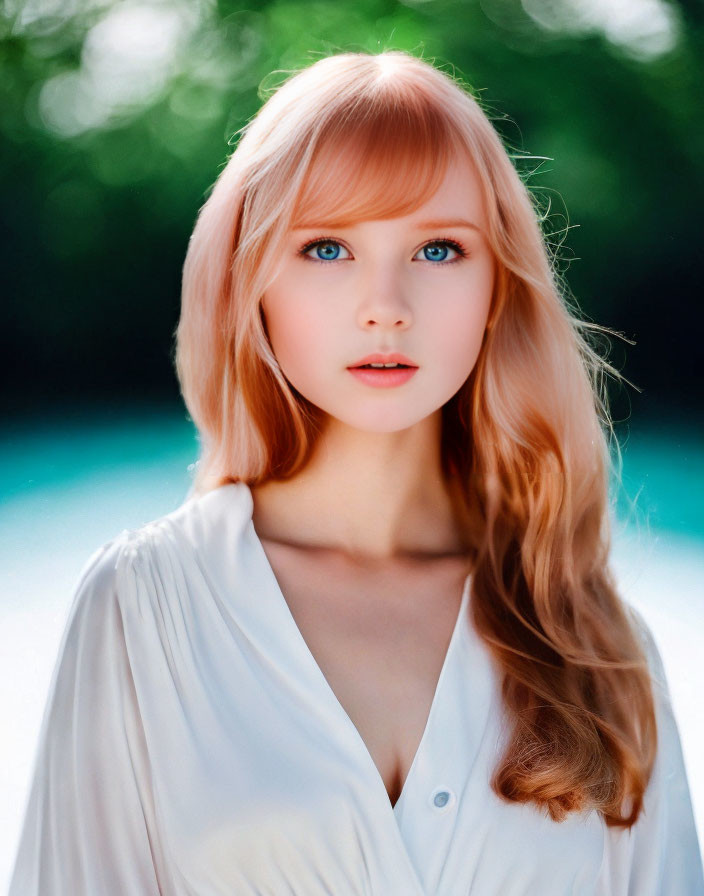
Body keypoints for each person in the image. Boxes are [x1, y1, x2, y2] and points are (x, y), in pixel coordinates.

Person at [8, 50, 703, 896]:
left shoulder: (599, 641)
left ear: (498, 289)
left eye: (439, 249)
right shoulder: (143, 607)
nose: (387, 304)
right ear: (249, 281)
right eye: (328, 246)